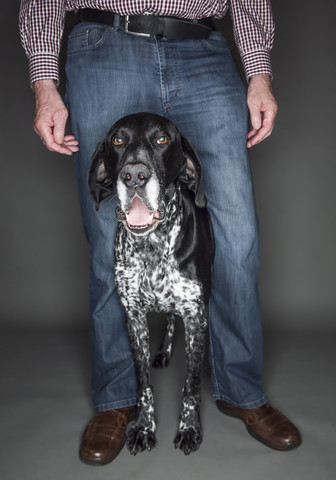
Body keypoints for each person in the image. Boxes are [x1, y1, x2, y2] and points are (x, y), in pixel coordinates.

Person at [19, 0, 301, 465]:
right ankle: (115, 399)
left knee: (237, 236)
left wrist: (259, 73)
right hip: (105, 44)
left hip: (203, 49)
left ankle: (241, 390)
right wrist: (44, 82)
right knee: (109, 238)